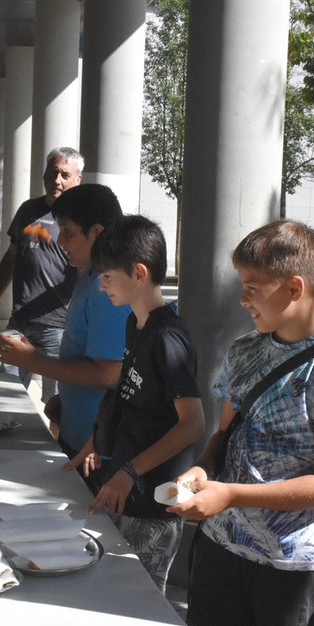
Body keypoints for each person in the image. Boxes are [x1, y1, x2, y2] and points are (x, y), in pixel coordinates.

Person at [170, 219, 314, 626]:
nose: (243, 299)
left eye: (252, 288)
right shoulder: (244, 349)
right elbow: (225, 434)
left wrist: (231, 494)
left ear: (294, 288)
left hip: (292, 560)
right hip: (223, 542)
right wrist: (202, 468)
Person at [67, 214, 205, 593]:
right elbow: (129, 395)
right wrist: (98, 439)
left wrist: (129, 471)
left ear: (139, 273)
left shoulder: (168, 337)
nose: (101, 285)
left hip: (155, 502)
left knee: (139, 598)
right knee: (113, 590)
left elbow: (193, 423)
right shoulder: (134, 323)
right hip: (127, 489)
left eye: (108, 276)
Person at [0, 184, 132, 461]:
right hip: (77, 435)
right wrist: (66, 399)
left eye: (67, 231)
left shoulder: (106, 289)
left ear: (97, 232)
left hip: (96, 452)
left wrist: (32, 360)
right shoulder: (89, 277)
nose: (59, 241)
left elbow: (109, 374)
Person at [0, 147, 82, 402]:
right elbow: (11, 257)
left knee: (56, 404)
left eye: (65, 175)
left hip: (58, 327)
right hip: (19, 321)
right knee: (5, 395)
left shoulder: (79, 220)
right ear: (44, 175)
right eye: (52, 173)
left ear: (77, 179)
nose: (57, 180)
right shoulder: (28, 209)